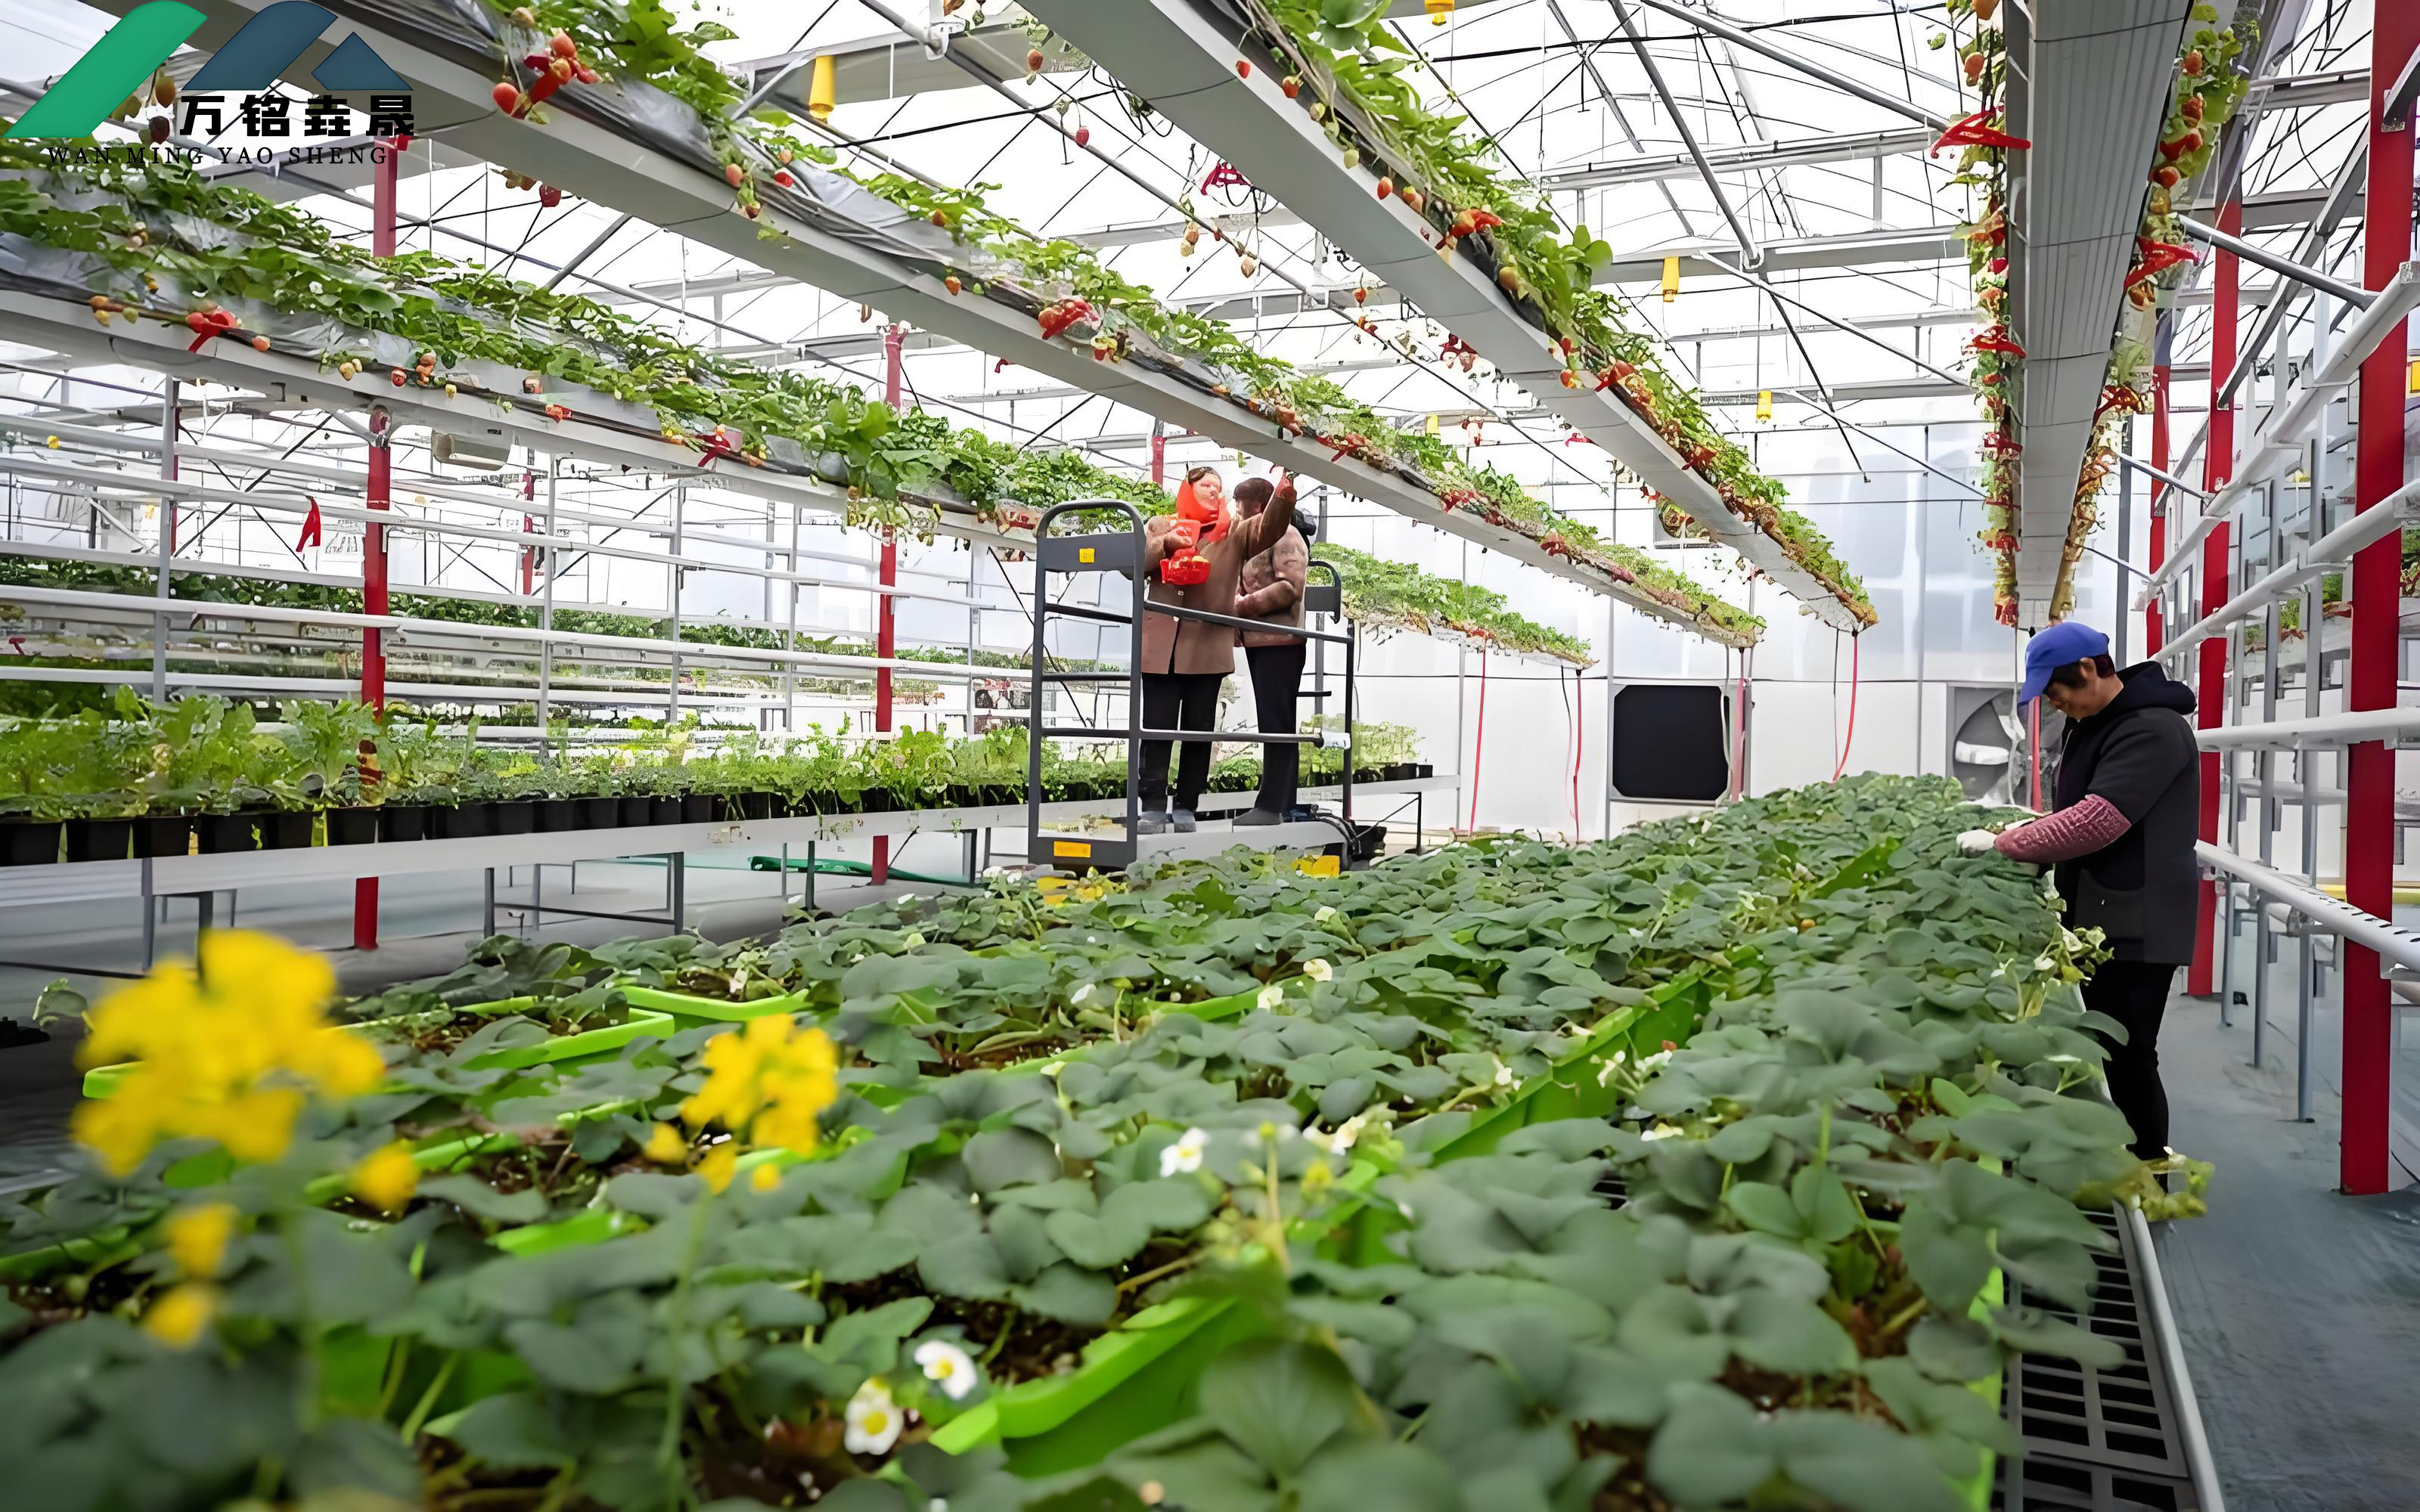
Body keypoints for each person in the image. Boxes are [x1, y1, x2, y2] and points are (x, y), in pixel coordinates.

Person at [1959, 621, 2199, 1160]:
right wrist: (2024, 830)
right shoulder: (2097, 724)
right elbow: (2074, 812)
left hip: (2140, 918)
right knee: (2113, 1045)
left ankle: (2151, 1166)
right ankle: (2137, 1158)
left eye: (2058, 691)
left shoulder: (2153, 730)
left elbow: (2097, 821)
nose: (2056, 704)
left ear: (2089, 670)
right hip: (2108, 911)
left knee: (2132, 1051)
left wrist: (2006, 843)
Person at [1136, 465, 1297, 832]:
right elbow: (1135, 566)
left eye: (1218, 487)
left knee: (1199, 730)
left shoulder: (1236, 532)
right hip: (1161, 647)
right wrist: (1166, 546)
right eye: (1206, 485)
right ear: (1189, 489)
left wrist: (1284, 491)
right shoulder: (1161, 525)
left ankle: (1186, 805)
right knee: (1156, 728)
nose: (1213, 491)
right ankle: (1153, 804)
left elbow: (1269, 526)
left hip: (1207, 648)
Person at [1232, 475, 1312, 826]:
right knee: (1274, 722)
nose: (1238, 513)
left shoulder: (1286, 537)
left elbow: (1289, 588)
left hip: (1280, 641)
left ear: (1260, 506)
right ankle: (1279, 802)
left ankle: (1274, 805)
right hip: (1262, 640)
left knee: (1277, 722)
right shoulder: (1261, 539)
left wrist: (1241, 606)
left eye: (1243, 506)